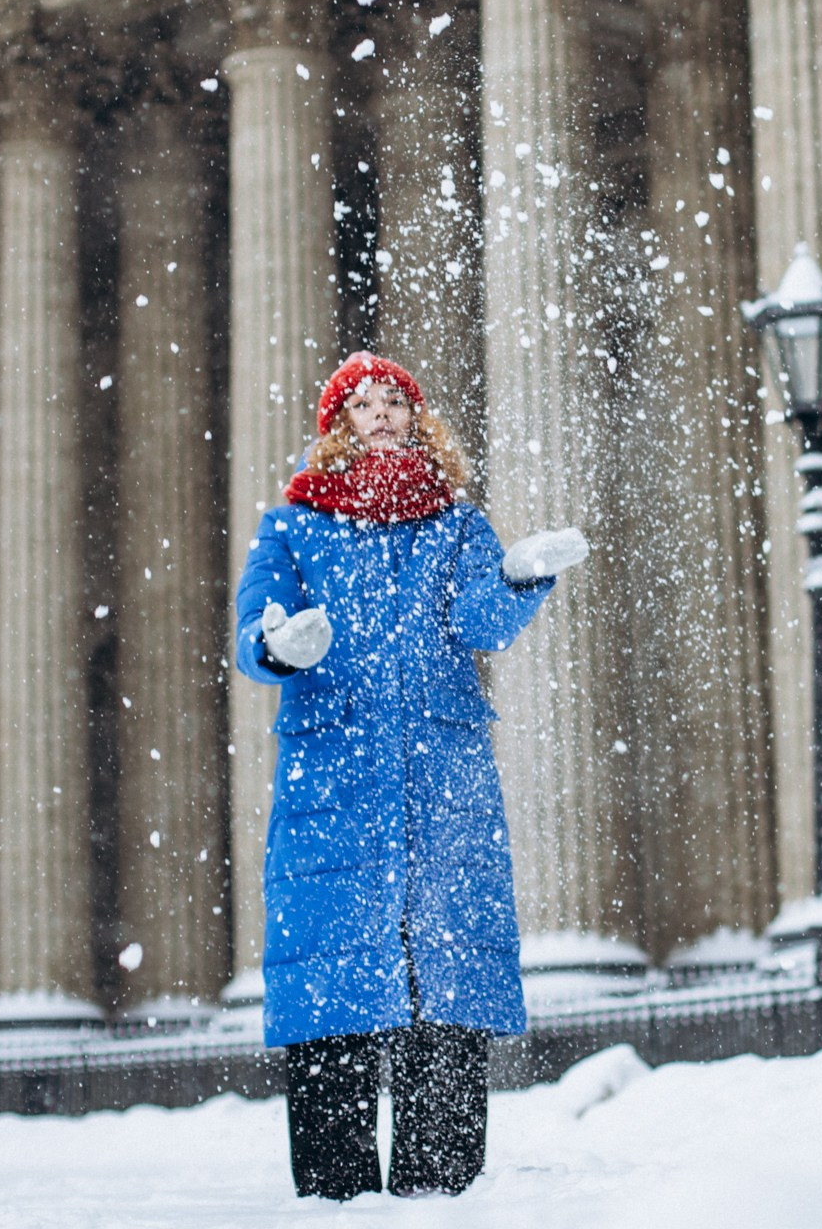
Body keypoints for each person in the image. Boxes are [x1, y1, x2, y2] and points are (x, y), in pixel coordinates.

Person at [233, 350, 588, 1200]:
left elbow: (480, 622)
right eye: (364, 404)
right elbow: (253, 628)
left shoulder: (454, 522)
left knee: (446, 991)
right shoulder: (291, 526)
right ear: (339, 425)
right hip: (334, 784)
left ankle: (441, 1202)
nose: (383, 413)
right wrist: (277, 645)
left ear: (416, 418)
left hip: (442, 782)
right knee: (333, 997)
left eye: (395, 400)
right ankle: (337, 1206)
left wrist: (520, 577)